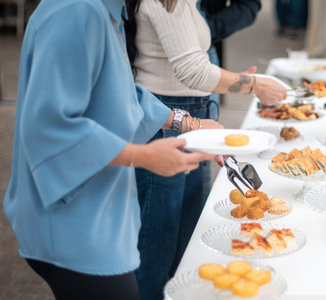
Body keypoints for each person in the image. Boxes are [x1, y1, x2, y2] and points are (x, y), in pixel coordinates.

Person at [2, 0, 220, 299]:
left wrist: (189, 123)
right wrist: (144, 156)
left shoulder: (105, 9)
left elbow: (119, 92)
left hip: (96, 213)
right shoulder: (77, 10)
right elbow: (49, 127)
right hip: (71, 222)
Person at [125, 0, 287, 299]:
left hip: (186, 108)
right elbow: (192, 71)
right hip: (169, 115)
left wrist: (230, 79)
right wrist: (252, 84)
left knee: (185, 234)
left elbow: (187, 53)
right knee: (157, 241)